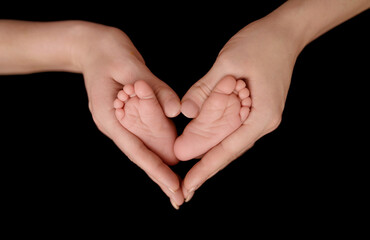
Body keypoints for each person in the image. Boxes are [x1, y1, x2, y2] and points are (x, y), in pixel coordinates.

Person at [0, 0, 368, 210]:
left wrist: (80, 45)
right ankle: (183, 131)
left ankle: (167, 130)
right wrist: (287, 28)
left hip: (105, 77)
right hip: (265, 63)